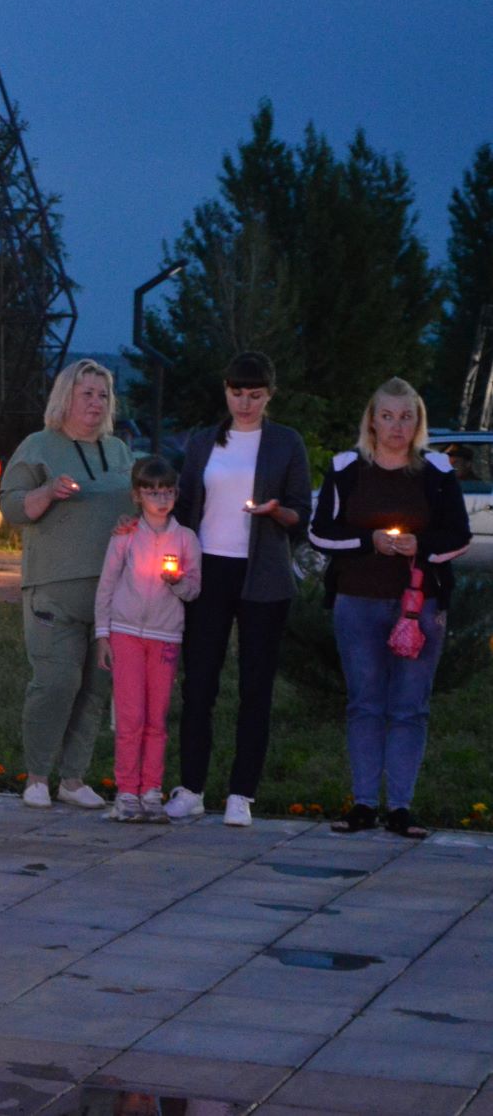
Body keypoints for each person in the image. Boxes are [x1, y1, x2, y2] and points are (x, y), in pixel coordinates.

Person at [311, 378, 471, 840]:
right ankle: (362, 803)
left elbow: (458, 536)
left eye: (406, 417)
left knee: (409, 707)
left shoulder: (437, 473)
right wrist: (369, 541)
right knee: (365, 703)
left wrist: (421, 546)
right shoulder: (346, 469)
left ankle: (400, 807)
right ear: (372, 421)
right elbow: (321, 533)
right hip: (357, 603)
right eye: (388, 416)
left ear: (418, 422)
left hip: (419, 607)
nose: (397, 426)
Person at [166, 352, 311, 827]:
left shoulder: (285, 443)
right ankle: (191, 788)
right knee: (200, 683)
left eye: (254, 395)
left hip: (263, 575)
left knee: (255, 687)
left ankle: (241, 794)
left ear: (269, 395)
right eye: (236, 393)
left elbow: (299, 515)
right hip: (209, 571)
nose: (244, 403)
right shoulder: (204, 442)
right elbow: (184, 502)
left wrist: (275, 512)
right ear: (225, 391)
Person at [0, 359, 135, 809]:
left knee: (96, 687)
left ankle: (73, 779)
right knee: (56, 681)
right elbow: (12, 507)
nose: (95, 402)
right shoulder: (39, 446)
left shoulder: (118, 451)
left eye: (102, 395)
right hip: (53, 587)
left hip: (110, 592)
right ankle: (37, 775)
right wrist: (47, 492)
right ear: (66, 398)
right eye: (86, 393)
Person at [94, 456, 201, 823]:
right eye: (152, 492)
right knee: (130, 716)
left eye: (167, 491)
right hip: (125, 634)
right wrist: (102, 633)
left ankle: (151, 790)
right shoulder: (125, 537)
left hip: (165, 635)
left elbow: (193, 590)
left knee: (156, 717)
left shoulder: (186, 539)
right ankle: (126, 792)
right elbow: (106, 585)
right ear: (137, 496)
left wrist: (177, 582)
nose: (160, 498)